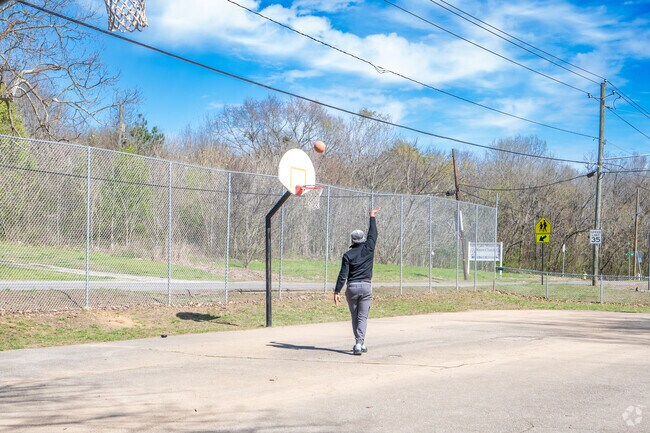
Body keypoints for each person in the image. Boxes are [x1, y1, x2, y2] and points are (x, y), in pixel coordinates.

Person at [334, 207, 380, 355]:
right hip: (366, 286)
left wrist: (337, 291)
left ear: (352, 240)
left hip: (352, 287)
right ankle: (359, 343)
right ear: (363, 239)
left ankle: (360, 342)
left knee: (355, 316)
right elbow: (373, 234)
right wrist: (372, 217)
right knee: (362, 317)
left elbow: (343, 274)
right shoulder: (368, 248)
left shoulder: (348, 255)